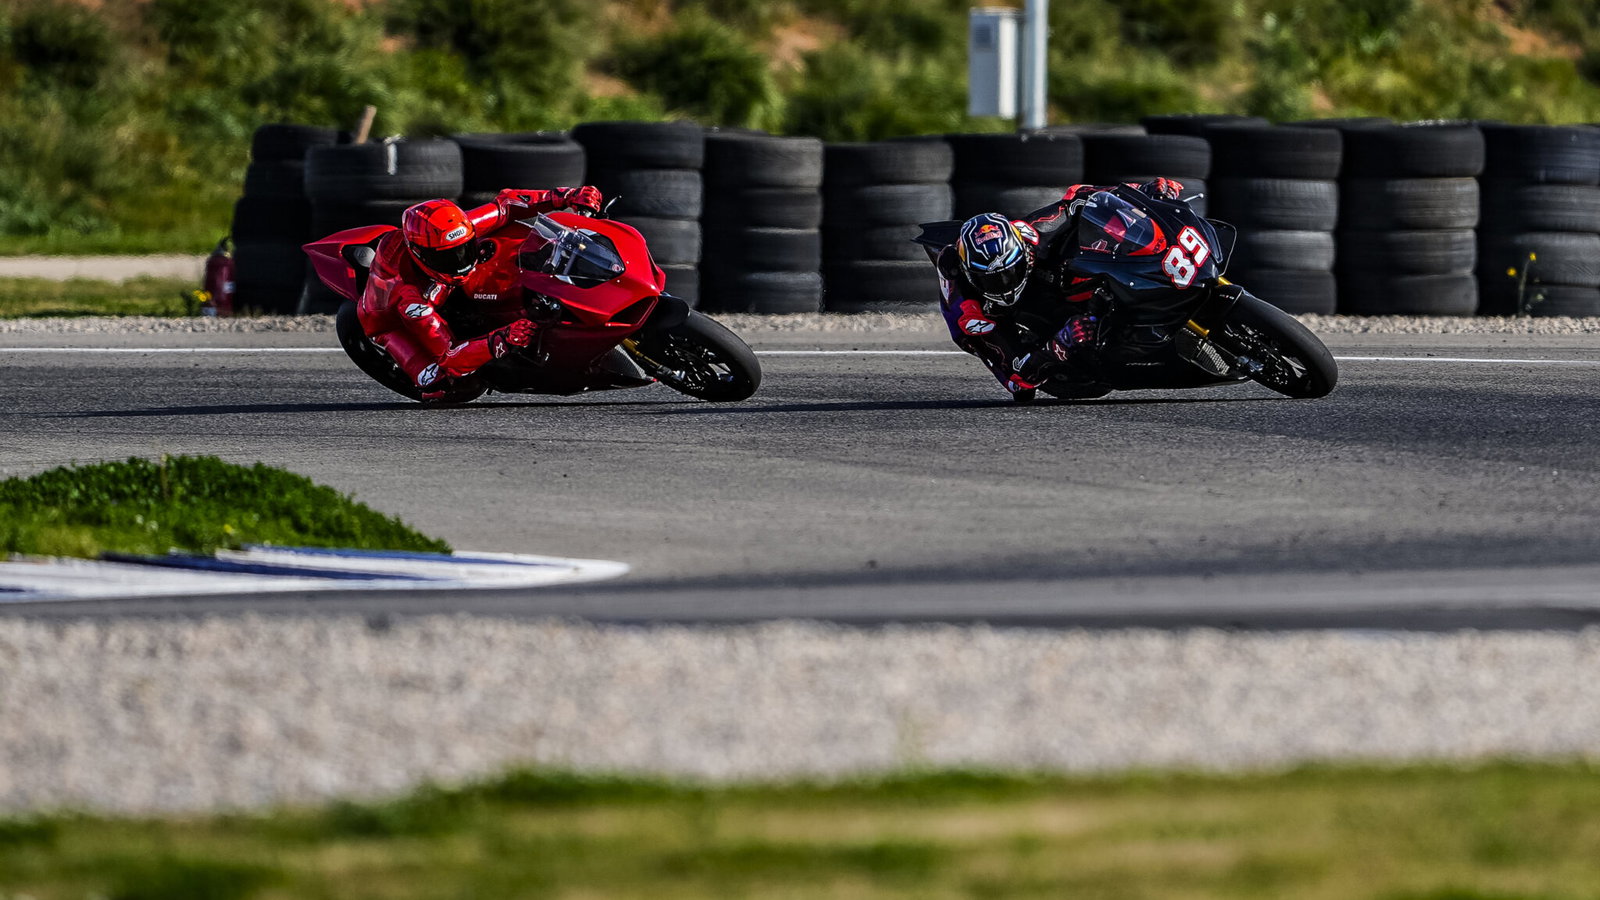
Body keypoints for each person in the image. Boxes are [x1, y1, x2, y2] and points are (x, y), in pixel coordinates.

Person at [935, 177, 1186, 401]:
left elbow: (1081, 197)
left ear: (1022, 251)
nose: (1004, 284)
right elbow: (1014, 376)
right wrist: (1059, 344)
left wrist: (1143, 191)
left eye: (1010, 272)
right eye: (992, 280)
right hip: (995, 319)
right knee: (1019, 385)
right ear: (971, 274)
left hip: (1041, 280)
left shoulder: (1034, 233)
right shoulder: (970, 311)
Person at [358, 185, 603, 401]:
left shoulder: (456, 230)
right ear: (420, 254)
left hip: (440, 279)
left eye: (464, 250)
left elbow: (506, 204)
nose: (460, 263)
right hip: (386, 321)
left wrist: (566, 196)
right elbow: (450, 357)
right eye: (446, 258)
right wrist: (502, 338)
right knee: (446, 386)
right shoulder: (411, 299)